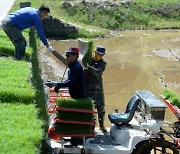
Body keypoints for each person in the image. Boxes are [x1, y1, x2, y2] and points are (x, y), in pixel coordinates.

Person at [84, 45, 107, 132]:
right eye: (98, 54)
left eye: (101, 55)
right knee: (89, 109)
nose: (100, 56)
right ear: (95, 52)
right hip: (88, 89)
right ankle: (90, 127)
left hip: (98, 90)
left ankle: (102, 126)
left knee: (101, 109)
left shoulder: (103, 63)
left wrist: (88, 67)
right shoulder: (88, 60)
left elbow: (97, 72)